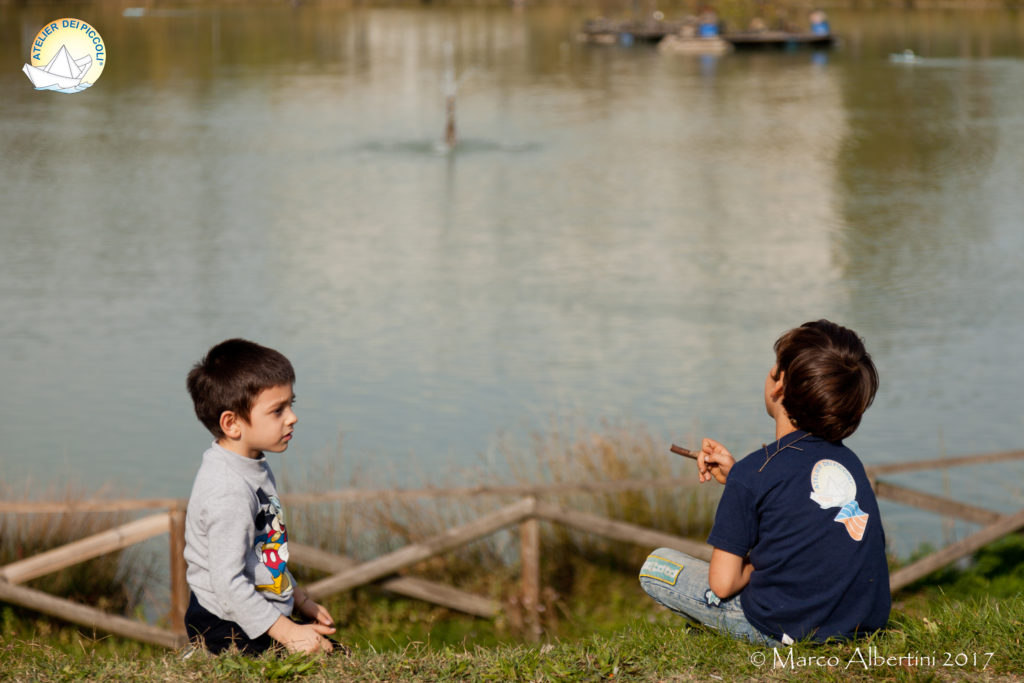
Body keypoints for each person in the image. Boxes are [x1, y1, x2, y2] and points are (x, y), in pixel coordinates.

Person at [639, 320, 890, 645]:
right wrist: (738, 479)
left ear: (778, 384)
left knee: (656, 565)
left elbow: (723, 584)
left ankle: (730, 630)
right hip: (858, 624)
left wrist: (753, 565)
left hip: (782, 628)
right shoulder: (849, 464)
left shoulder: (754, 472)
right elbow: (801, 504)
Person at [183, 338, 338, 655]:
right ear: (232, 423)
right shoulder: (228, 490)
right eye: (277, 410)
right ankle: (204, 653)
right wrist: (290, 633)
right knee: (327, 658)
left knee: (334, 652)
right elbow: (228, 584)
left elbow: (265, 552)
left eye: (291, 404)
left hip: (255, 612)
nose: (292, 417)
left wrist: (299, 599)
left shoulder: (252, 465)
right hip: (226, 624)